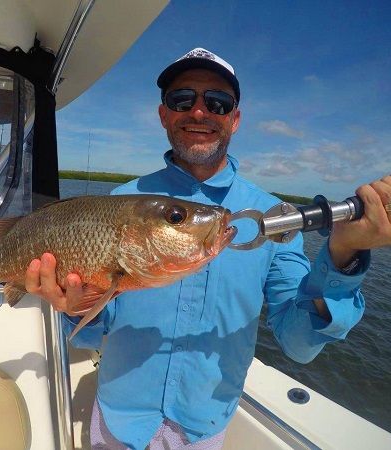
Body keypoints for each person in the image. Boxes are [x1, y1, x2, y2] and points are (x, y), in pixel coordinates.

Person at [24, 48, 391, 449]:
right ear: (164, 114)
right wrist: (74, 305)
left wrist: (343, 255)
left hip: (203, 431)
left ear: (234, 118)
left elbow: (300, 344)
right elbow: (90, 334)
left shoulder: (274, 220)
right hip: (118, 421)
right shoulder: (119, 200)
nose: (199, 112)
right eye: (182, 99)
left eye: (217, 102)